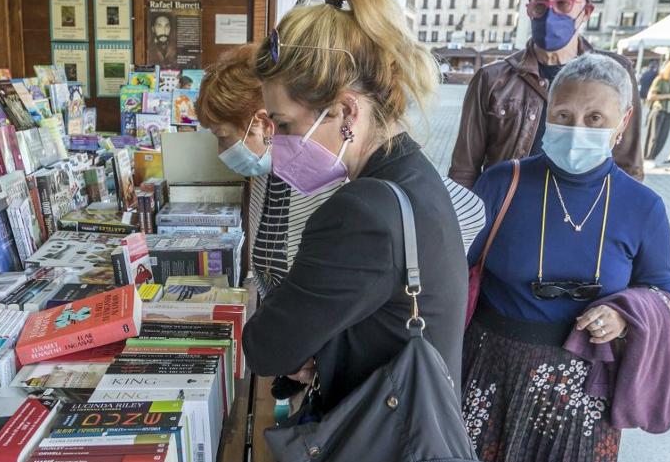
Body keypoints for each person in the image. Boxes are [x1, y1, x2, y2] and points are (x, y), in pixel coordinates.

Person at [242, 0, 468, 462]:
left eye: (281, 123)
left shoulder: (363, 208)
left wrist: (301, 341)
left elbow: (265, 345)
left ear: (344, 110)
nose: (275, 141)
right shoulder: (411, 180)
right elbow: (393, 319)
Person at [453, 53, 670, 462]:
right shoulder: (503, 181)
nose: (577, 128)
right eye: (564, 114)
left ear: (624, 122)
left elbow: (663, 291)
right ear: (546, 114)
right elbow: (454, 265)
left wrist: (626, 313)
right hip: (492, 365)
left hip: (582, 384)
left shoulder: (642, 206)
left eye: (595, 118)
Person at [197, 43, 486, 300]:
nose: (221, 149)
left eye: (222, 135)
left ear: (263, 123)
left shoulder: (329, 165)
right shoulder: (264, 172)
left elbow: (466, 210)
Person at [449, 0, 644, 188]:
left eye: (563, 4)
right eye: (540, 6)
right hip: (507, 212)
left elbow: (629, 165)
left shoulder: (615, 74)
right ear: (529, 11)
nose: (549, 15)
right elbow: (463, 171)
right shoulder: (492, 79)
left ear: (587, 11)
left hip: (584, 215)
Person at [643, 57, 670, 161]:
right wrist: (668, 96)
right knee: (653, 137)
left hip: (668, 111)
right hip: (658, 110)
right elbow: (651, 96)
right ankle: (647, 158)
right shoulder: (660, 79)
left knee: (662, 137)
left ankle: (653, 157)